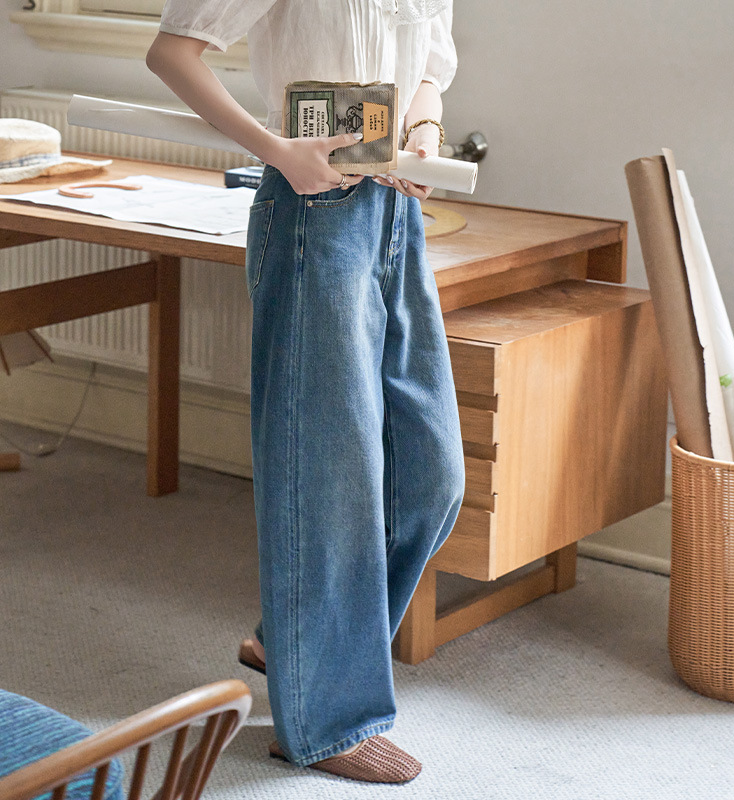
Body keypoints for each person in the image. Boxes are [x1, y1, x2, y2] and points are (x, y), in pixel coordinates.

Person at [147, 0, 464, 785]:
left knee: (431, 475)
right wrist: (278, 151)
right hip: (311, 210)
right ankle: (322, 722)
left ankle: (287, 643)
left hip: (397, 209)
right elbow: (172, 52)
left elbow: (428, 70)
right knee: (325, 479)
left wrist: (422, 134)